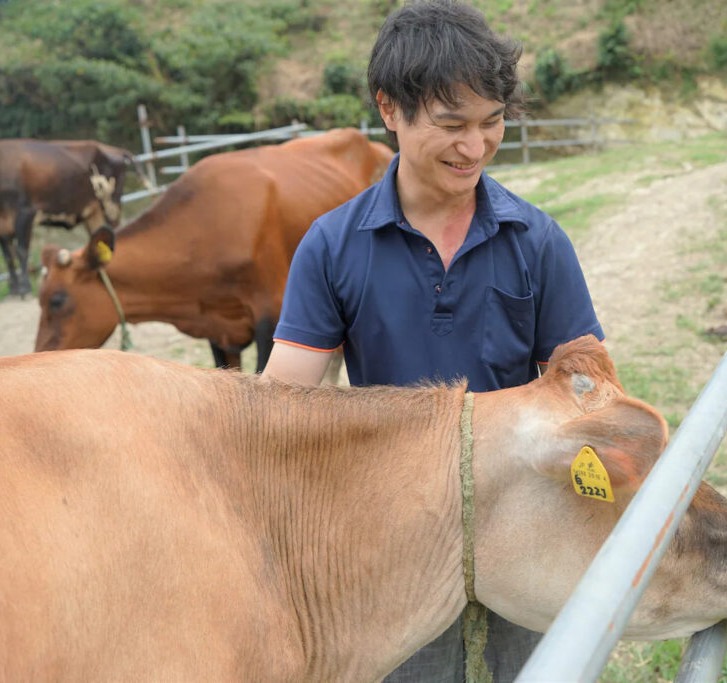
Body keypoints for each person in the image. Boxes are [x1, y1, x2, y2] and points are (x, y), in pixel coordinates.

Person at [263, 1, 604, 679]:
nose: (474, 148)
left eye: (491, 122)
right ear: (390, 109)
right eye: (451, 125)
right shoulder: (332, 246)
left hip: (522, 523)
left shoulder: (538, 241)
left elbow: (588, 386)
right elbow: (281, 406)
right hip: (394, 535)